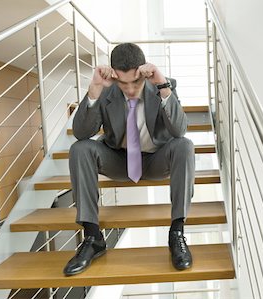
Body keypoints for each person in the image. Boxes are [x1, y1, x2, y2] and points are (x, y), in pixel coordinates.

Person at [63, 43, 194, 276]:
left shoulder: (163, 85)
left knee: (184, 145)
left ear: (144, 71)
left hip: (156, 159)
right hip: (119, 161)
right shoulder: (106, 90)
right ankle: (93, 237)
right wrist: (94, 89)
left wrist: (162, 86)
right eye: (124, 84)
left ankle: (177, 232)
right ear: (114, 75)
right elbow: (82, 133)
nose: (131, 89)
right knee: (80, 149)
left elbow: (179, 130)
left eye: (136, 82)